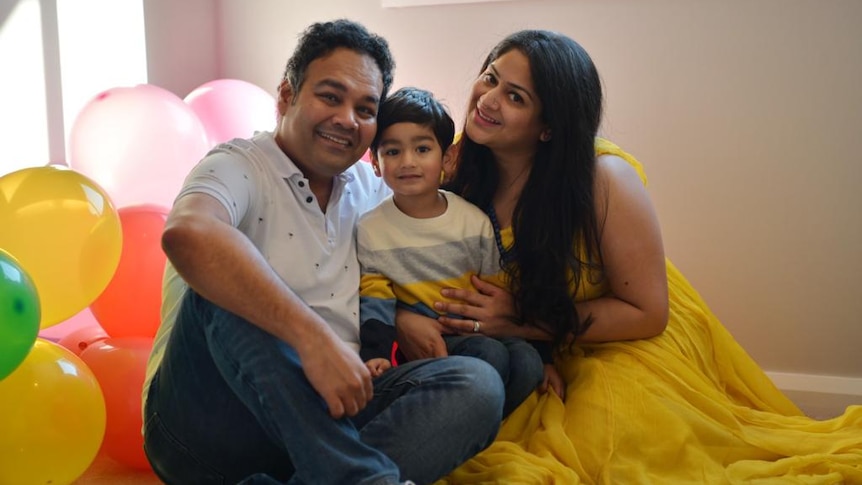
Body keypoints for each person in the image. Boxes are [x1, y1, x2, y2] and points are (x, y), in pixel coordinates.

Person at [396, 29, 862, 484]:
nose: (488, 98)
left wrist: (521, 321)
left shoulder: (604, 177)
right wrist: (404, 316)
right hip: (533, 341)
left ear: (549, 127)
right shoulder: (454, 163)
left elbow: (647, 312)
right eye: (491, 78)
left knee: (621, 447)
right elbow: (405, 256)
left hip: (623, 338)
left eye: (516, 97)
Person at [141, 19, 506, 485]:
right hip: (210, 421)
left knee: (477, 384)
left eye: (365, 108)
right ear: (287, 96)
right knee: (219, 288)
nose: (347, 120)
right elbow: (188, 232)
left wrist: (403, 316)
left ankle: (329, 473)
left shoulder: (375, 192)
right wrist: (312, 340)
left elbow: (413, 264)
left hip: (330, 416)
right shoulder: (239, 164)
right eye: (330, 97)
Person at [356, 86, 562, 417]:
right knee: (490, 356)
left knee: (526, 363)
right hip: (427, 340)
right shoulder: (371, 229)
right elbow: (375, 297)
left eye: (422, 149)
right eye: (392, 152)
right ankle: (463, 418)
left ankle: (478, 424)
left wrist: (544, 354)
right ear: (376, 164)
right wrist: (374, 353)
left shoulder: (472, 220)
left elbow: (501, 288)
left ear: (446, 157)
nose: (407, 162)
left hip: (477, 327)